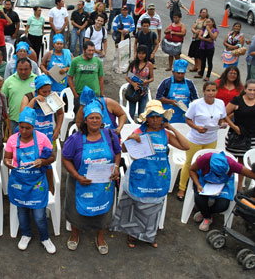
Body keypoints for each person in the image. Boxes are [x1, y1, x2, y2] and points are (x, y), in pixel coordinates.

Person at [111, 100, 189, 248]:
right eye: (152, 117)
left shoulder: (165, 134)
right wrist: (129, 139)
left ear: (162, 118)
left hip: (158, 177)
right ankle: (132, 235)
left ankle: (149, 235)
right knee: (137, 204)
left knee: (154, 206)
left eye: (158, 117)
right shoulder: (139, 132)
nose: (155, 120)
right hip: (141, 175)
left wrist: (171, 127)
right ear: (146, 118)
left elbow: (186, 146)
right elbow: (124, 150)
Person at [62, 101, 121, 254]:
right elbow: (66, 159)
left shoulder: (110, 135)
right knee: (76, 211)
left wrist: (115, 167)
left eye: (97, 117)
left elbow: (117, 152)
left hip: (103, 184)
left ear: (102, 119)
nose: (95, 120)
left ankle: (100, 238)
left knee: (103, 210)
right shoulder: (76, 138)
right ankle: (74, 235)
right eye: (91, 118)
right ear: (85, 120)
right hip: (80, 183)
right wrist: (76, 176)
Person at [3, 107, 56, 254]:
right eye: (21, 127)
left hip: (37, 182)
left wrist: (43, 162)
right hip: (19, 182)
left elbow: (53, 157)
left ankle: (45, 238)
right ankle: (26, 234)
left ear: (34, 126)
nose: (24, 131)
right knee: (22, 212)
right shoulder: (13, 140)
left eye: (28, 128)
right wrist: (8, 163)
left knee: (39, 216)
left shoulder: (42, 138)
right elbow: (6, 158)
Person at [177, 82, 228, 201]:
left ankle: (201, 187)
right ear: (204, 91)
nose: (211, 93)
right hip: (195, 139)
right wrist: (196, 127)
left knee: (206, 165)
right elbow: (188, 119)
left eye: (213, 90)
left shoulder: (220, 103)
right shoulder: (196, 104)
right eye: (208, 90)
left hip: (211, 139)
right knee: (189, 163)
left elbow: (221, 119)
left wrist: (222, 124)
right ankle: (182, 188)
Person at [189, 152, 255, 231]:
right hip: (204, 181)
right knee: (199, 198)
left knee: (223, 205)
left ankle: (205, 212)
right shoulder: (205, 159)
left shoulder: (232, 164)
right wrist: (198, 185)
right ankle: (207, 218)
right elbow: (191, 170)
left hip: (223, 184)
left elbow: (250, 174)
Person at [225, 79, 255, 189]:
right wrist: (234, 127)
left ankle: (240, 187)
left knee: (244, 162)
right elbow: (224, 114)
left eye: (254, 90)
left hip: (251, 137)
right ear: (245, 90)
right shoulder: (237, 100)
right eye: (250, 89)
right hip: (236, 137)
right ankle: (228, 184)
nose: (252, 92)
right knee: (233, 161)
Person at [20, 75, 64, 142]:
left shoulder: (52, 96)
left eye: (49, 91)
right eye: (44, 92)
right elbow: (23, 115)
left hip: (47, 133)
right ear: (37, 90)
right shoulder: (28, 97)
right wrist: (34, 100)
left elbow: (60, 113)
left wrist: (57, 129)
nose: (47, 94)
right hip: (31, 134)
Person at [156, 59, 199, 124]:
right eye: (178, 73)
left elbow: (195, 100)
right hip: (168, 117)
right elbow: (158, 97)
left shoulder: (189, 83)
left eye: (182, 73)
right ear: (173, 72)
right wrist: (170, 102)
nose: (180, 75)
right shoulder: (166, 82)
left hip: (183, 117)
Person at [68, 41, 105, 114]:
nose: (91, 52)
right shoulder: (75, 61)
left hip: (95, 95)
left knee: (94, 117)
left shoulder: (97, 61)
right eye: (89, 50)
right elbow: (69, 77)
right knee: (79, 119)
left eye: (93, 50)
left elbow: (100, 79)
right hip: (80, 95)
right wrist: (75, 93)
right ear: (83, 50)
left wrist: (101, 94)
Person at [2, 58, 37, 133]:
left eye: (26, 69)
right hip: (14, 120)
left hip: (33, 121)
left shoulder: (37, 80)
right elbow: (3, 99)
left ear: (31, 68)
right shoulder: (9, 81)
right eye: (20, 69)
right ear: (16, 68)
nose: (23, 72)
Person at [126, 45, 154, 120]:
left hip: (144, 91)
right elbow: (127, 77)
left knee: (141, 113)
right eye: (139, 53)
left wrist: (146, 81)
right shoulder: (133, 64)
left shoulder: (149, 65)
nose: (141, 55)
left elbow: (152, 78)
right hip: (133, 90)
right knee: (131, 112)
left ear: (146, 54)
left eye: (143, 53)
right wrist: (133, 84)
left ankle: (140, 129)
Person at [188, 8, 208, 73]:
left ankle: (200, 68)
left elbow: (203, 30)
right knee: (194, 53)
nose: (203, 13)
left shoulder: (206, 21)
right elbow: (193, 27)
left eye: (205, 12)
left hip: (201, 40)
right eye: (202, 12)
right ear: (200, 13)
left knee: (199, 55)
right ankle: (195, 66)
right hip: (195, 38)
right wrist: (195, 32)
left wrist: (197, 32)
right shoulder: (197, 20)